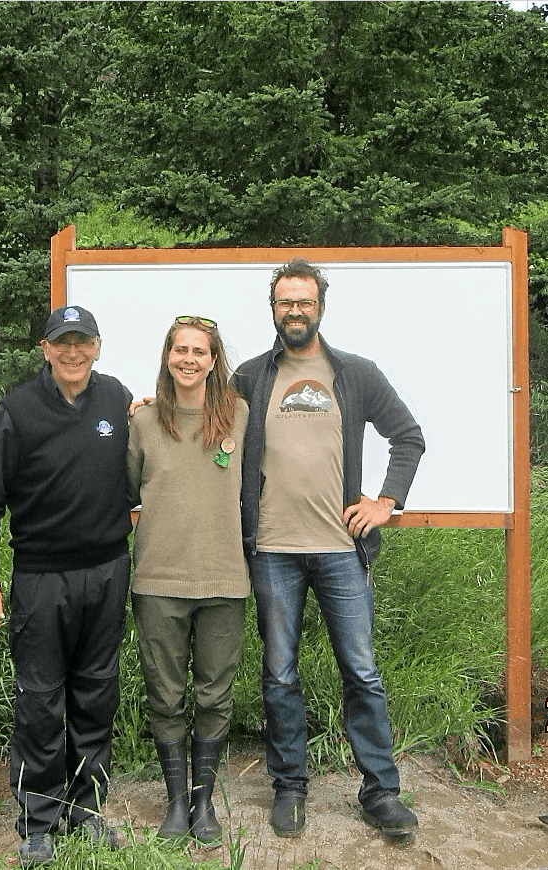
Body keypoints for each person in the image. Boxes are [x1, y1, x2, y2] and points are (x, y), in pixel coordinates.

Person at [233, 258, 425, 840]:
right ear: (273, 309)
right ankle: (290, 786)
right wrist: (148, 408)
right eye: (285, 302)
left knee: (362, 672)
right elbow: (207, 421)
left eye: (305, 302)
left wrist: (386, 501)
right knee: (279, 673)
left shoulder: (355, 374)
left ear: (320, 307)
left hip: (343, 549)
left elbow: (408, 437)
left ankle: (380, 792)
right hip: (272, 550)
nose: (295, 311)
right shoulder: (249, 377)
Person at [0, 305, 132, 867]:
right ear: (45, 348)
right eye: (63, 342)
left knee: (96, 693)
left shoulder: (116, 399)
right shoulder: (17, 410)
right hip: (40, 579)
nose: (73, 352)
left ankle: (86, 810)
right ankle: (38, 820)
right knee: (40, 701)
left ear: (97, 347)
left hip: (107, 571)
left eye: (83, 341)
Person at [126, 316, 250, 846]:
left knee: (214, 696)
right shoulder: (143, 420)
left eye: (200, 351)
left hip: (224, 579)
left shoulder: (239, 415)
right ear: (167, 356)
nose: (189, 359)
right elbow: (126, 488)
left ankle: (204, 803)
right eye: (181, 350)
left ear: (214, 360)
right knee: (166, 695)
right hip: (158, 579)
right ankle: (176, 802)